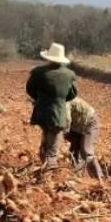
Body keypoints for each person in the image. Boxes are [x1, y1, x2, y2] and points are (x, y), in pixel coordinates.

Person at [25, 42, 77, 171]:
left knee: (46, 134)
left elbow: (30, 89)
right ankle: (50, 171)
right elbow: (72, 94)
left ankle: (44, 165)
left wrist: (40, 99)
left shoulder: (38, 72)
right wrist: (59, 100)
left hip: (41, 112)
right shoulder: (69, 74)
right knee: (53, 145)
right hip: (58, 113)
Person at [66, 96, 103, 180]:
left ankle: (100, 180)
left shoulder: (65, 102)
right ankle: (76, 178)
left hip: (89, 123)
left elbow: (65, 123)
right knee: (74, 152)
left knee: (87, 153)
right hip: (77, 127)